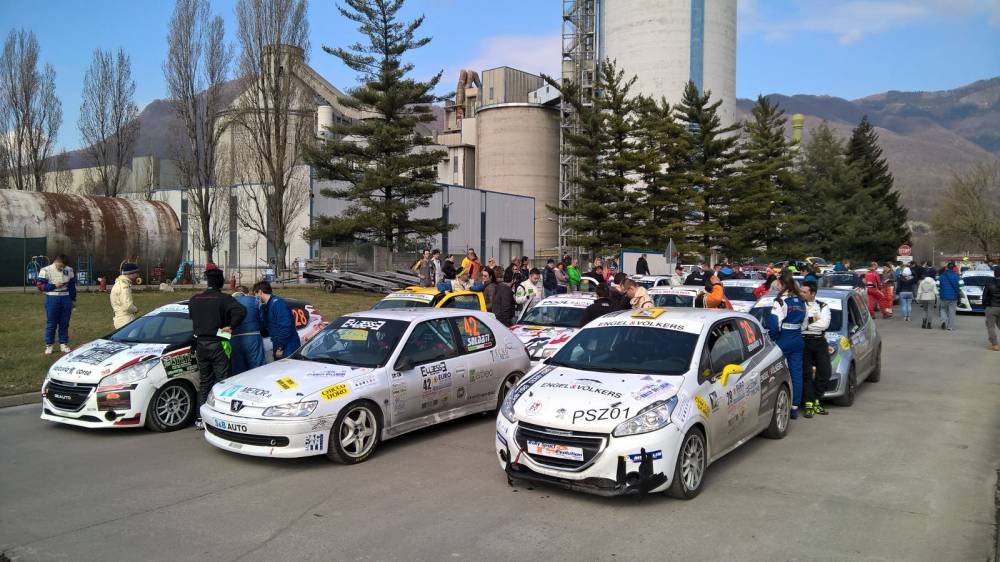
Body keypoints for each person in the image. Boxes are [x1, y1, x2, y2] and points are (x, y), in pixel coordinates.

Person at [188, 268, 246, 428]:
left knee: (205, 381)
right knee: (222, 381)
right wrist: (231, 326)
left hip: (200, 344)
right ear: (221, 282)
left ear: (207, 282)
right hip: (219, 343)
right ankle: (220, 416)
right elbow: (241, 311)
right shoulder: (224, 299)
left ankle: (200, 418)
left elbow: (192, 316)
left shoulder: (194, 299)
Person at [766, 271, 807, 419]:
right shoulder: (801, 300)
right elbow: (805, 324)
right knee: (796, 373)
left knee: (775, 373)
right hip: (797, 338)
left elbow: (773, 324)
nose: (776, 285)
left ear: (782, 284)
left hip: (784, 339)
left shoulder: (780, 301)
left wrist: (774, 338)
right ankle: (795, 407)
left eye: (778, 282)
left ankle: (775, 406)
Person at [800, 281, 831, 419]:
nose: (802, 294)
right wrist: (813, 320)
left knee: (825, 372)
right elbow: (800, 325)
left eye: (804, 292)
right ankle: (809, 403)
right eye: (801, 291)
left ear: (813, 293)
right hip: (804, 341)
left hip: (819, 341)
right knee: (806, 374)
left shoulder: (823, 306)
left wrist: (807, 323)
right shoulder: (799, 305)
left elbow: (824, 324)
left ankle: (816, 399)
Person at [35, 254, 76, 354]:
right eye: (61, 266)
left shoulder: (69, 270)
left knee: (64, 322)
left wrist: (72, 299)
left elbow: (71, 285)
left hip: (66, 298)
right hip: (52, 298)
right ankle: (49, 345)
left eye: (64, 266)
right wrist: (53, 286)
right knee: (51, 322)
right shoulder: (45, 270)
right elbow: (40, 286)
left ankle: (63, 344)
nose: (62, 268)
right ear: (56, 261)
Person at [254, 281, 301, 360]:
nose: (255, 297)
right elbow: (265, 325)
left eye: (255, 294)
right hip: (278, 343)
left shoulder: (278, 304)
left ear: (260, 292)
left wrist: (280, 347)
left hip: (287, 346)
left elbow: (285, 327)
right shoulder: (267, 306)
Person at [230, 285, 265, 375]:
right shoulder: (255, 300)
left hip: (234, 339)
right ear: (247, 293)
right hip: (253, 337)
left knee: (238, 372)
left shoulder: (227, 302)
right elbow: (262, 320)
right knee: (257, 369)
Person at [110, 262, 140, 329]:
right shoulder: (124, 287)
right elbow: (128, 306)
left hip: (119, 320)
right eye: (136, 273)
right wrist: (136, 309)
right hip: (126, 321)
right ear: (131, 274)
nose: (137, 276)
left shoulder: (117, 284)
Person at [936, 262, 963, 331]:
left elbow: (937, 285)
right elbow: (962, 286)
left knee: (942, 309)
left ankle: (943, 321)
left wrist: (940, 291)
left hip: (943, 296)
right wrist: (958, 291)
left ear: (947, 267)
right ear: (954, 268)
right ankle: (950, 327)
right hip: (953, 297)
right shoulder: (958, 276)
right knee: (952, 311)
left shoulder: (941, 276)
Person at [983, 269, 1000, 351]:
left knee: (991, 326)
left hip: (991, 307)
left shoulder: (989, 283)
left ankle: (995, 344)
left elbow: (984, 296)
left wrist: (984, 306)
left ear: (994, 274)